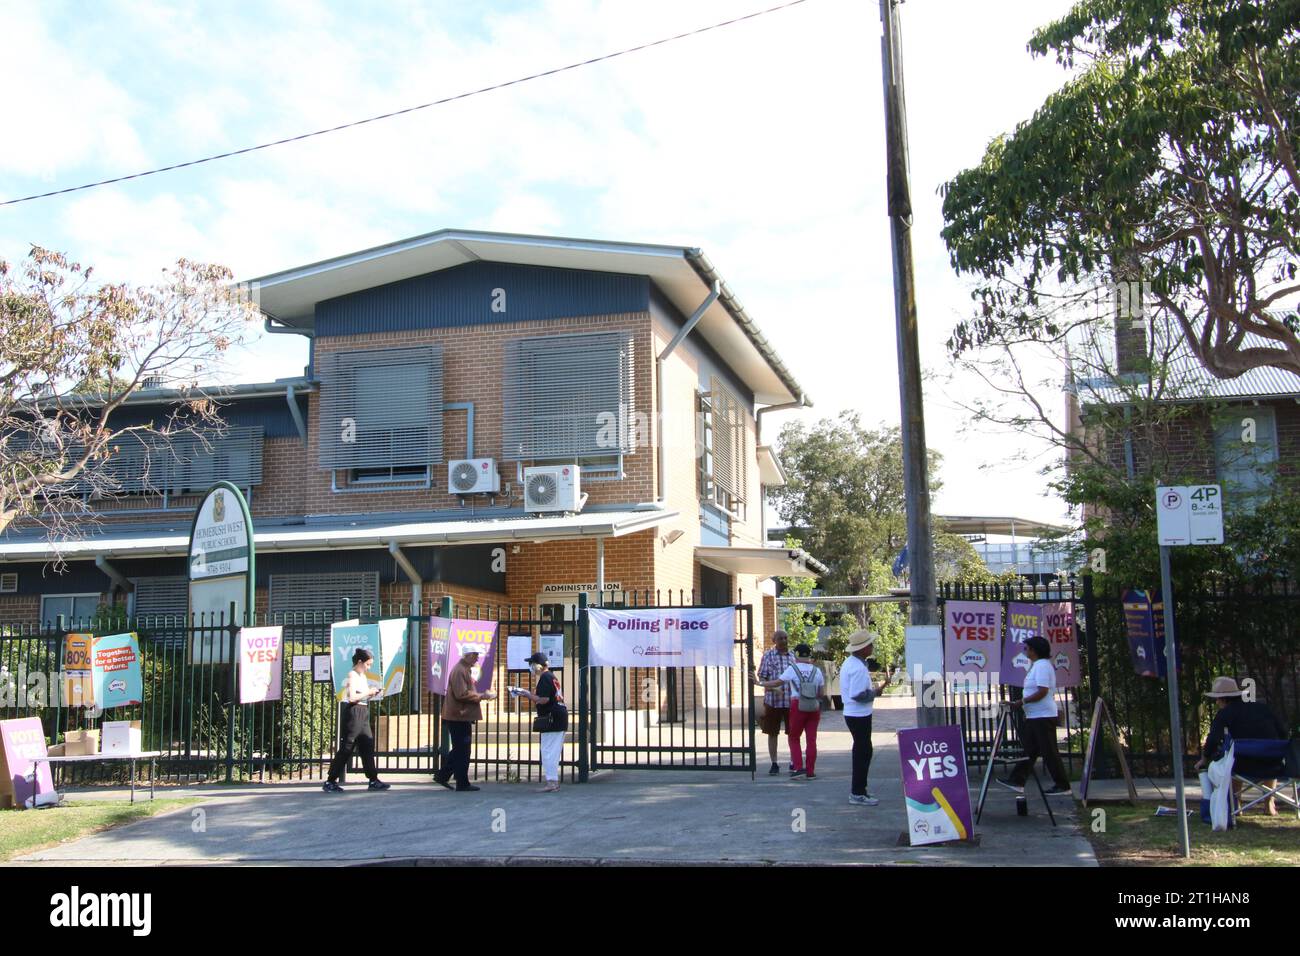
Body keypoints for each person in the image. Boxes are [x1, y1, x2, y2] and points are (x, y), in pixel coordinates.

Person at [1194, 676, 1289, 815]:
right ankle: (1269, 803)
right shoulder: (1264, 709)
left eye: (1217, 699)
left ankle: (1236, 802)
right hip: (1273, 764)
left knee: (1232, 759)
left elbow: (1214, 739)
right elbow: (1283, 733)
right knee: (1269, 751)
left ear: (1223, 699)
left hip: (1242, 765)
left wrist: (1204, 758)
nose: (1216, 702)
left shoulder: (1225, 713)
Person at [997, 636, 1071, 796]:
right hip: (1035, 715)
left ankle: (1062, 784)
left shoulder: (1043, 666)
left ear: (1034, 650)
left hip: (1043, 716)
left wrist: (1022, 702)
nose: (1026, 651)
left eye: (1027, 648)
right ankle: (1018, 780)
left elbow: (1043, 691)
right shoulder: (1037, 666)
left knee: (1049, 751)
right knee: (1029, 751)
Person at [323, 648, 390, 792]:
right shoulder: (352, 675)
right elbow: (352, 697)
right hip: (354, 713)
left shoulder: (362, 677)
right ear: (360, 662)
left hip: (363, 711)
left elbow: (362, 696)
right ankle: (330, 781)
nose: (368, 668)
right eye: (367, 664)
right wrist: (368, 692)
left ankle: (373, 779)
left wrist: (372, 693)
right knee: (347, 746)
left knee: (367, 745)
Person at [839, 629, 892, 806]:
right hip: (859, 714)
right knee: (863, 753)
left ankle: (859, 790)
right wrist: (875, 692)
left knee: (862, 751)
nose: (872, 646)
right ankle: (858, 792)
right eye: (869, 644)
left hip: (854, 713)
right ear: (862, 649)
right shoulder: (858, 667)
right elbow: (857, 694)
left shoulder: (851, 663)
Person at [434, 649, 497, 792]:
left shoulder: (463, 669)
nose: (477, 658)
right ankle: (460, 782)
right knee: (462, 749)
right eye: (475, 655)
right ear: (467, 655)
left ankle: (444, 776)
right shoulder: (460, 670)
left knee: (460, 749)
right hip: (458, 716)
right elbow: (461, 694)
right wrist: (482, 696)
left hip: (460, 715)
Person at [761, 643, 825, 779]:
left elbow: (777, 683)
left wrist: (760, 683)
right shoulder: (817, 671)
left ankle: (798, 767)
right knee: (811, 739)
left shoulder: (793, 669)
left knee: (794, 737)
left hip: (797, 704)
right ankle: (810, 771)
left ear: (796, 655)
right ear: (809, 655)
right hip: (813, 706)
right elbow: (821, 693)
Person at [513, 651, 567, 793]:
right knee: (552, 751)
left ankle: (552, 782)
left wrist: (526, 694)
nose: (530, 667)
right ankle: (553, 781)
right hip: (558, 716)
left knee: (548, 751)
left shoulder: (545, 677)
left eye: (531, 664)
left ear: (538, 665)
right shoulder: (551, 677)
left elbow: (544, 699)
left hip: (552, 718)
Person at [753, 629, 796, 775]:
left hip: (791, 701)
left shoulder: (793, 657)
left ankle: (793, 761)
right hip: (773, 702)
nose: (784, 641)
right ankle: (774, 763)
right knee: (772, 733)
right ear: (774, 641)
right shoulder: (768, 656)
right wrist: (774, 689)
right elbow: (762, 679)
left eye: (785, 638)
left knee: (793, 733)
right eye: (780, 638)